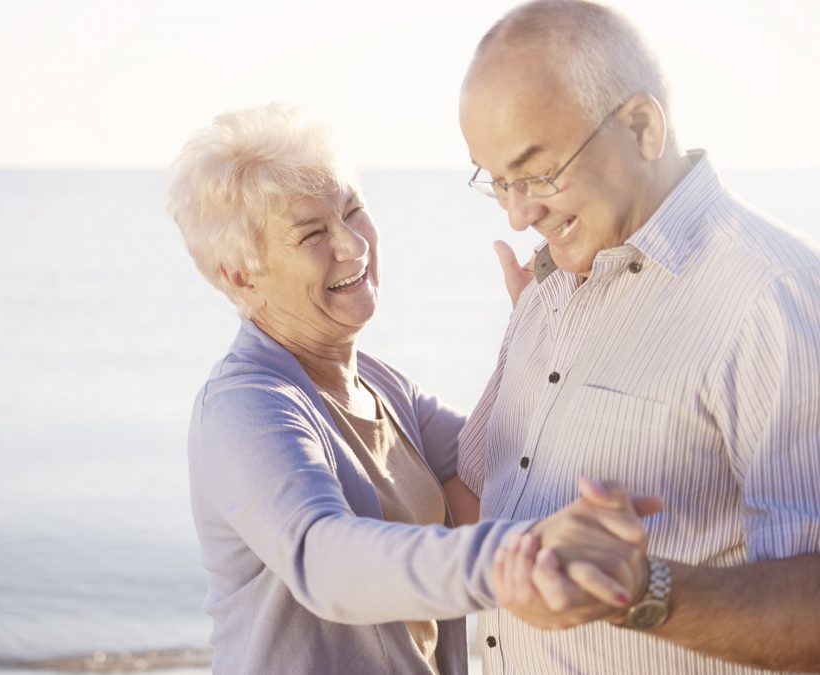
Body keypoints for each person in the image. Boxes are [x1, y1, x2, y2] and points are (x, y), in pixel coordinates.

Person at [168, 102, 659, 675]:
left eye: (353, 211)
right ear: (240, 275)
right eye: (311, 234)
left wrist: (540, 329)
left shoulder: (381, 386)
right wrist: (510, 561)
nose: (352, 245)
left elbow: (511, 477)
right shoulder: (245, 407)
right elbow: (326, 562)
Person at [456, 1, 820, 673]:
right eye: (498, 181)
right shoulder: (548, 289)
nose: (517, 213)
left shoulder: (775, 296)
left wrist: (634, 590)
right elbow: (476, 494)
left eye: (535, 173)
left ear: (642, 126)